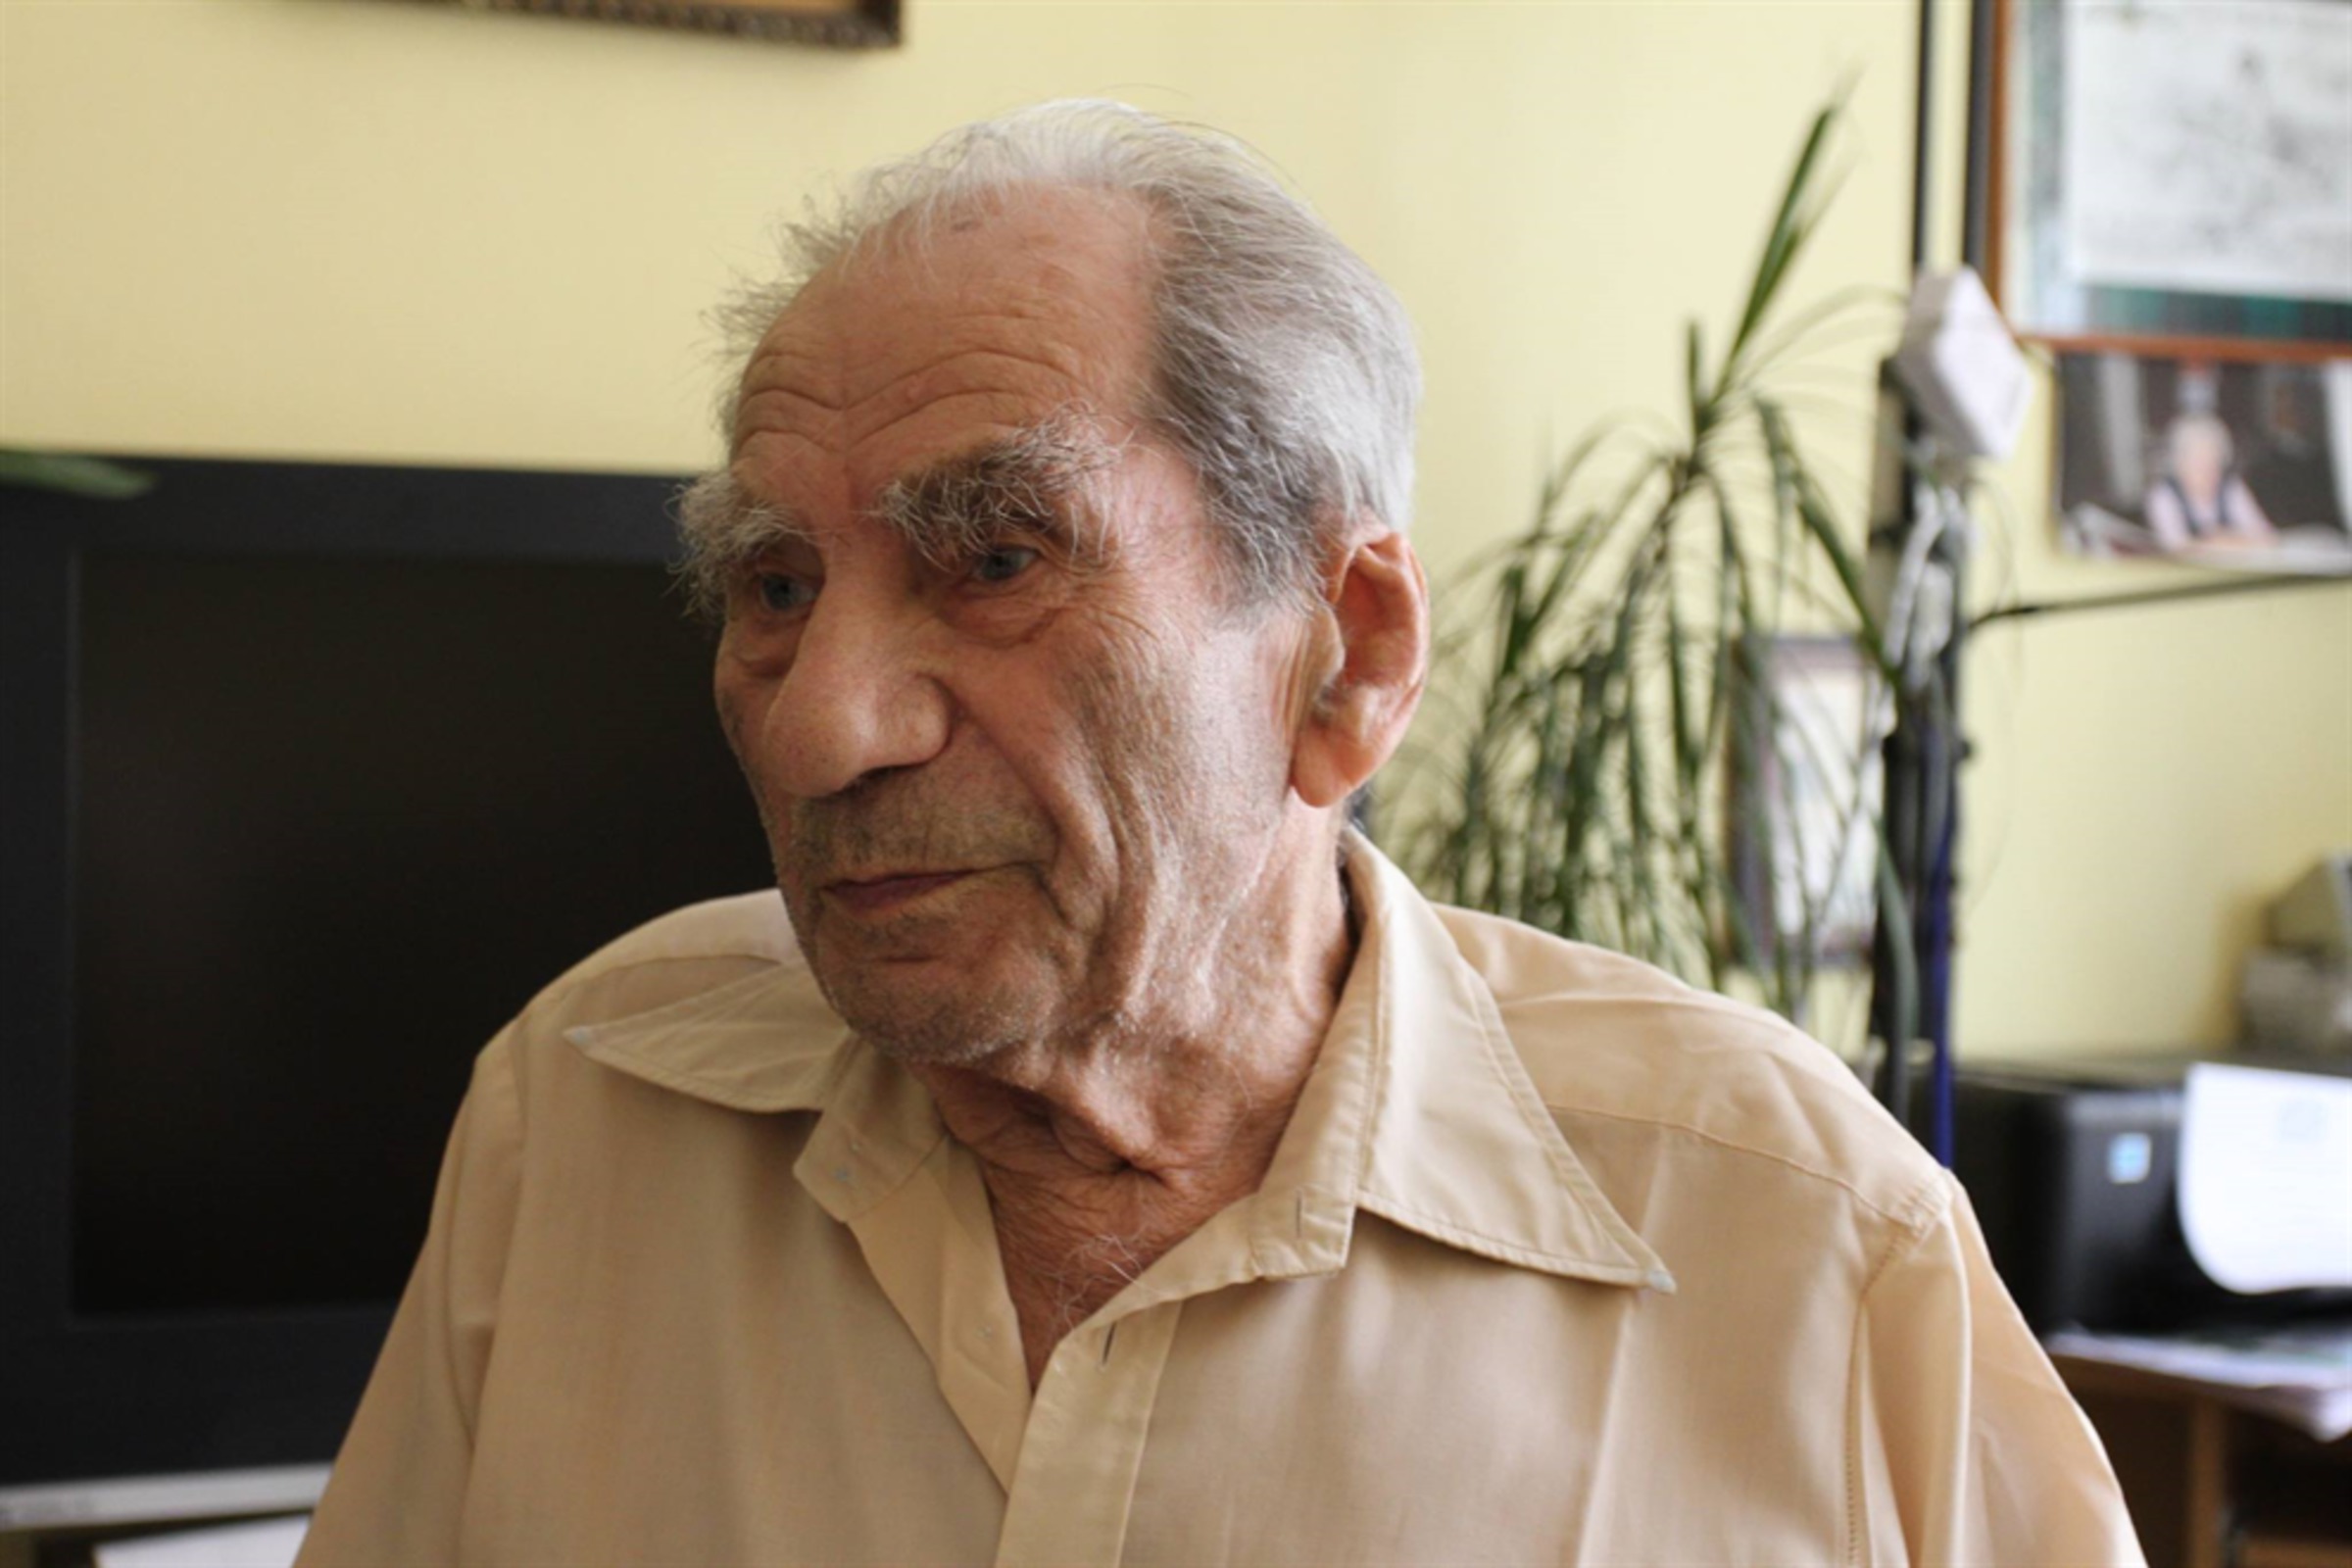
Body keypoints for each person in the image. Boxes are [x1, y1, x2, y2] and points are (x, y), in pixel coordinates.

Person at [297, 102, 2142, 1566]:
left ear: (1348, 658)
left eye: (996, 558)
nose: (818, 724)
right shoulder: (585, 1109)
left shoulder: (1803, 1249)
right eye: (775, 585)